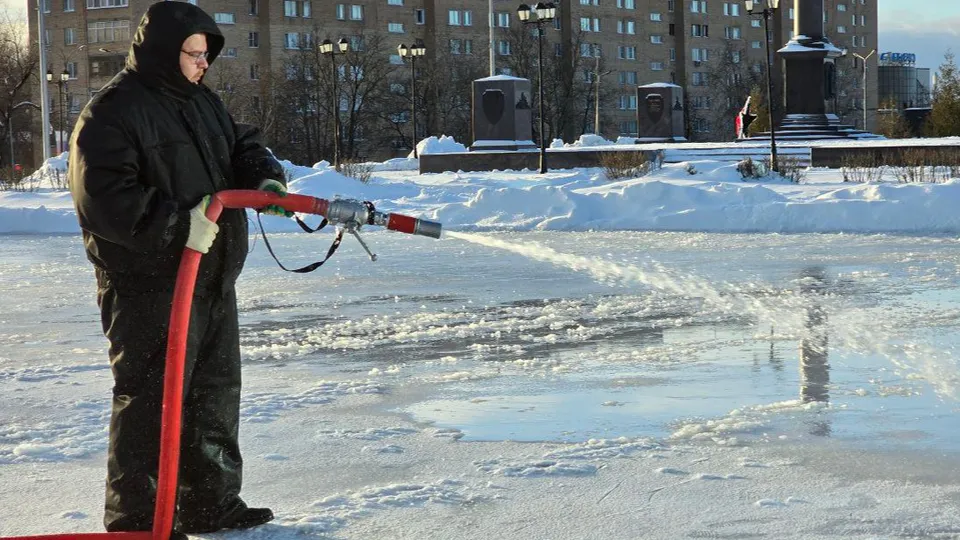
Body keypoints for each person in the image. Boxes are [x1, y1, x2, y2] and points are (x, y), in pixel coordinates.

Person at [68, 1, 289, 536]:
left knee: (214, 394)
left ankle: (210, 502)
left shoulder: (201, 102)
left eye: (206, 54)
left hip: (211, 278)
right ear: (165, 52)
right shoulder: (113, 111)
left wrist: (263, 177)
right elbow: (103, 197)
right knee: (151, 400)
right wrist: (176, 225)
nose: (202, 63)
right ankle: (139, 521)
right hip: (149, 285)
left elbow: (242, 144)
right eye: (193, 54)